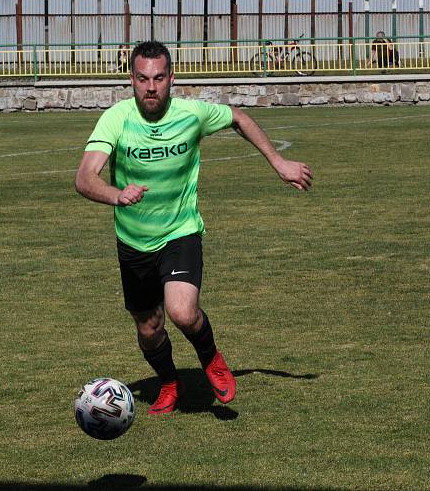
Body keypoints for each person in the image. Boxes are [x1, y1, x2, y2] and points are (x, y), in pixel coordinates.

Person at [74, 41, 313, 415]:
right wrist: (116, 195)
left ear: (172, 78)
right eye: (141, 79)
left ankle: (211, 357)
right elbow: (85, 178)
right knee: (149, 328)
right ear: (131, 80)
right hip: (133, 242)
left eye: (158, 78)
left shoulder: (192, 113)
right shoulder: (116, 118)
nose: (150, 87)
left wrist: (278, 163)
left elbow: (237, 117)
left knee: (182, 312)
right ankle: (170, 383)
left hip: (180, 231)